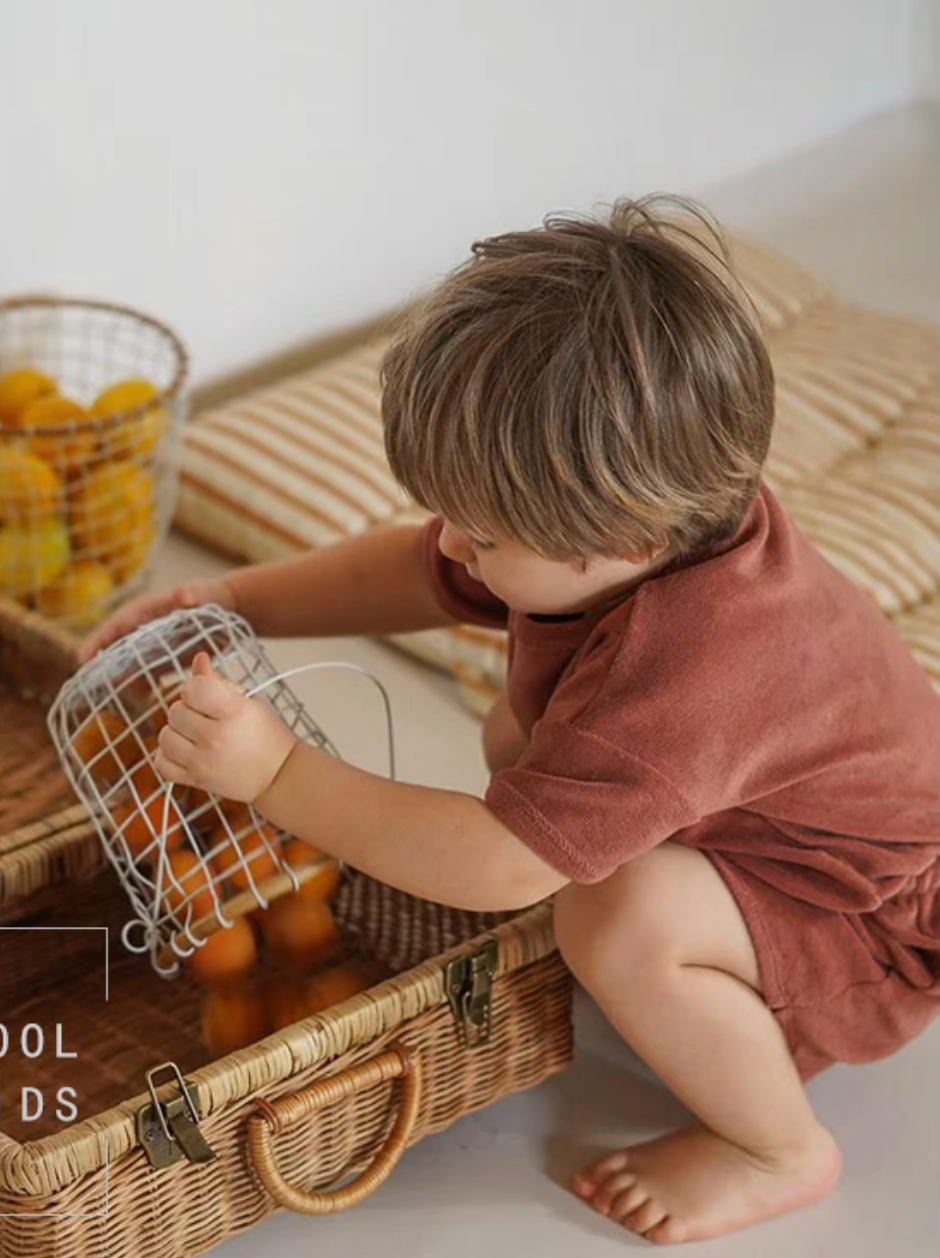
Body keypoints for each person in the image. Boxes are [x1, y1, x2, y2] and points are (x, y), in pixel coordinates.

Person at [82, 198, 939, 1244]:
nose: (452, 544)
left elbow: (501, 867)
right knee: (518, 737)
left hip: (860, 922)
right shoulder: (640, 528)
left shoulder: (687, 670)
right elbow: (414, 571)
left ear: (626, 535)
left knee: (614, 914)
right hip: (782, 822)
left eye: (482, 535)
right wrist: (233, 601)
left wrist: (276, 774)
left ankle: (777, 1147)